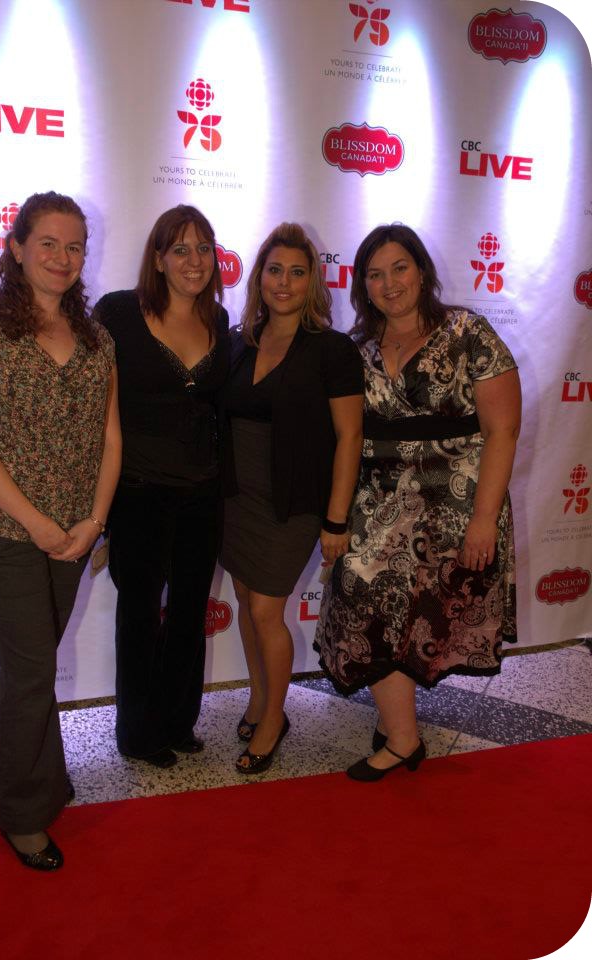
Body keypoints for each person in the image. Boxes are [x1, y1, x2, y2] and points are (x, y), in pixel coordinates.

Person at [0, 192, 121, 869]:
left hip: (76, 533)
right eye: (47, 242)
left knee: (34, 665)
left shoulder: (98, 337)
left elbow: (110, 436)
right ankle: (20, 811)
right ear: (16, 246)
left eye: (74, 245)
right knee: (29, 669)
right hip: (5, 530)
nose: (63, 256)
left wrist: (93, 522)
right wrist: (42, 525)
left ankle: (44, 779)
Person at [315, 223, 521, 781]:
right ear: (362, 285)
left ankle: (400, 735)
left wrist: (484, 522)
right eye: (375, 274)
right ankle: (403, 730)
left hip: (454, 508)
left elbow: (502, 430)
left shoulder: (468, 332)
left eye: (399, 268)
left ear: (422, 271)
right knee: (359, 596)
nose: (390, 283)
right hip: (378, 503)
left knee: (413, 620)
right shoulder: (356, 349)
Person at [219, 223, 364, 774]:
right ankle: (259, 698)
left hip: (295, 503)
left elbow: (349, 437)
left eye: (296, 272)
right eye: (274, 270)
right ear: (260, 278)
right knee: (246, 609)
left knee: (265, 610)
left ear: (313, 282)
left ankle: (275, 717)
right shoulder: (240, 340)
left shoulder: (332, 349)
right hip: (236, 499)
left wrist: (336, 519)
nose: (284, 282)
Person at [94, 205, 230, 769]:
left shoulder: (220, 321)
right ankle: (137, 732)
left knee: (190, 612)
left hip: (203, 493)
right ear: (158, 258)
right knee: (139, 615)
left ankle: (179, 721)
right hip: (138, 493)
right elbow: (96, 408)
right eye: (180, 249)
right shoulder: (120, 313)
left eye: (203, 248)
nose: (194, 261)